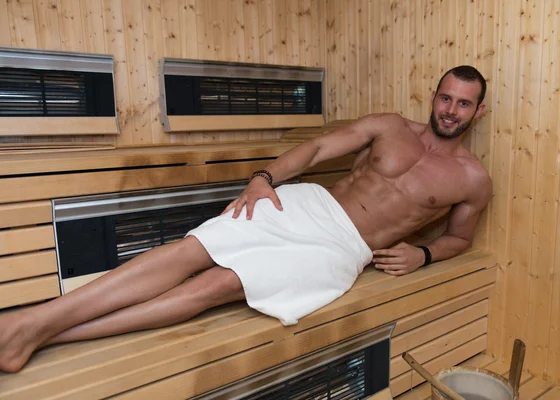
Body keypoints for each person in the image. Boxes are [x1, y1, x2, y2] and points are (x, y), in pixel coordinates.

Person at [0, 65, 492, 373]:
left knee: (218, 285)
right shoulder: (389, 127)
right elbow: (319, 147)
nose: (450, 110)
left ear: (478, 111)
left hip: (343, 251)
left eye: (463, 103)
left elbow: (460, 240)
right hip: (310, 204)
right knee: (190, 250)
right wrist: (264, 177)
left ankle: (45, 335)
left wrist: (422, 253)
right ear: (434, 96)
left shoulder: (471, 179)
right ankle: (34, 320)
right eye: (445, 97)